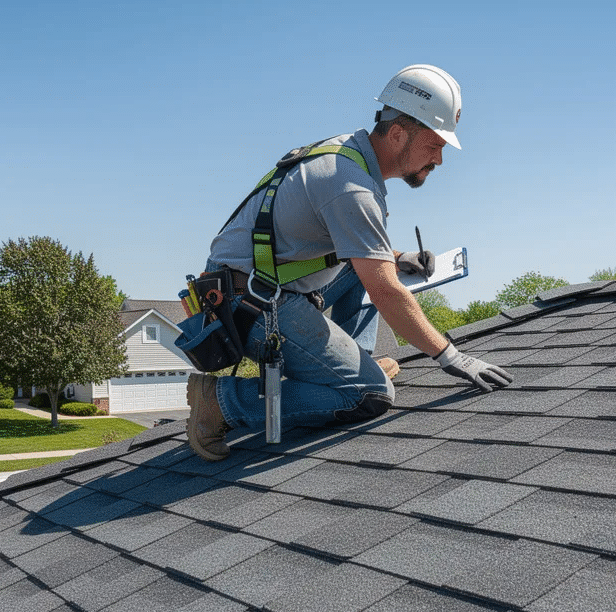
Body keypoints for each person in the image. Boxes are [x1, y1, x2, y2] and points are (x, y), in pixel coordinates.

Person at [186, 64, 513, 461]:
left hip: (252, 284)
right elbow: (386, 292)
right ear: (397, 134)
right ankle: (221, 400)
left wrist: (399, 257)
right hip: (249, 304)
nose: (439, 160)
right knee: (370, 394)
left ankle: (351, 360)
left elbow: (352, 250)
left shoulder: (347, 155)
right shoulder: (351, 187)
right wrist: (452, 356)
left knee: (376, 265)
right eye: (434, 145)